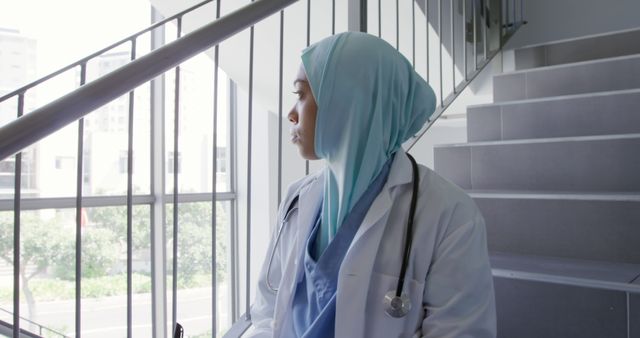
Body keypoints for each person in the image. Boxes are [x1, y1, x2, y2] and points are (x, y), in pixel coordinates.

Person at [248, 32, 496, 338]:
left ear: (346, 102)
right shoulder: (297, 198)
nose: (291, 114)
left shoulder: (450, 215)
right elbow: (265, 311)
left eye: (301, 94)